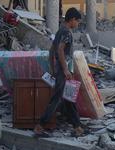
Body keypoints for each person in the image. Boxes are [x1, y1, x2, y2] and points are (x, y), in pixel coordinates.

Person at [34, 8, 84, 137]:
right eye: (77, 21)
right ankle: (40, 126)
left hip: (60, 69)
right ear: (72, 19)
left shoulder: (59, 31)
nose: (77, 24)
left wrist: (52, 67)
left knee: (69, 98)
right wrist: (66, 70)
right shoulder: (67, 32)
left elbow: (52, 50)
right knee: (57, 99)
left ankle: (78, 127)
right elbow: (60, 50)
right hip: (64, 70)